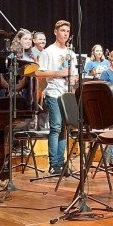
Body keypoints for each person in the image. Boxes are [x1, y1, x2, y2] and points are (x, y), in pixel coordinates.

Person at [35, 20, 78, 175]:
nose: (65, 34)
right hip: (53, 93)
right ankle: (54, 163)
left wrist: (74, 78)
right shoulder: (48, 51)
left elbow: (74, 73)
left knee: (65, 129)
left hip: (67, 95)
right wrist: (59, 73)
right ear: (55, 32)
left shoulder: (71, 53)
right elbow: (39, 72)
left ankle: (61, 162)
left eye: (67, 31)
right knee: (56, 127)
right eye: (62, 30)